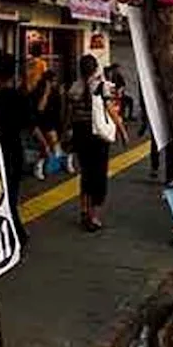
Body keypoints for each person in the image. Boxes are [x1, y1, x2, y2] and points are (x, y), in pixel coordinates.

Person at [67, 55, 126, 231]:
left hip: (80, 135)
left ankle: (84, 210)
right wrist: (122, 131)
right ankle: (93, 216)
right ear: (95, 69)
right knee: (98, 176)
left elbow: (68, 113)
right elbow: (111, 109)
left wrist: (67, 133)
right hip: (97, 137)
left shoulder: (73, 88)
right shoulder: (102, 86)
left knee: (86, 173)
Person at [0, 52, 30, 246]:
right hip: (15, 153)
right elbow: (29, 124)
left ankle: (16, 235)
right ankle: (16, 234)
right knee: (11, 196)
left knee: (2, 198)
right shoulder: (18, 96)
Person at [29, 69, 71, 180]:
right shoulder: (38, 92)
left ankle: (61, 157)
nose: (55, 84)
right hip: (40, 123)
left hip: (53, 122)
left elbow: (61, 110)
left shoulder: (57, 93)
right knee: (50, 143)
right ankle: (41, 164)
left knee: (61, 141)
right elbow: (40, 109)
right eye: (52, 81)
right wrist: (46, 93)